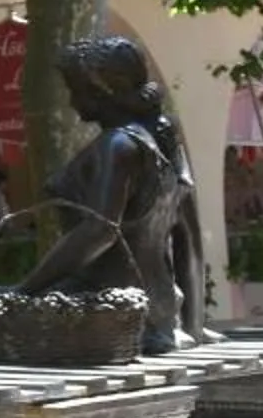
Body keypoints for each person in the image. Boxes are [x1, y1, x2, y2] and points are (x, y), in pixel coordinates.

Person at [16, 36, 207, 352]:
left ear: (99, 92)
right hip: (156, 314)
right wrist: (191, 325)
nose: (72, 102)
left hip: (113, 310)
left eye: (74, 90)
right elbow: (189, 237)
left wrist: (24, 290)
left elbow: (100, 230)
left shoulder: (118, 146)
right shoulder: (163, 138)